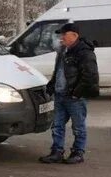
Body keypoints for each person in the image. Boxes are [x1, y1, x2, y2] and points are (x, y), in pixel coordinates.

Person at [40, 22, 99, 165]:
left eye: (64, 35)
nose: (61, 38)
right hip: (60, 95)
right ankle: (57, 152)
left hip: (75, 97)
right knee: (57, 125)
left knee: (78, 126)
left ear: (74, 35)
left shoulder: (84, 52)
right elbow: (58, 72)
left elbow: (90, 76)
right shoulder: (62, 51)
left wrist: (76, 93)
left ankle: (78, 152)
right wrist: (51, 85)